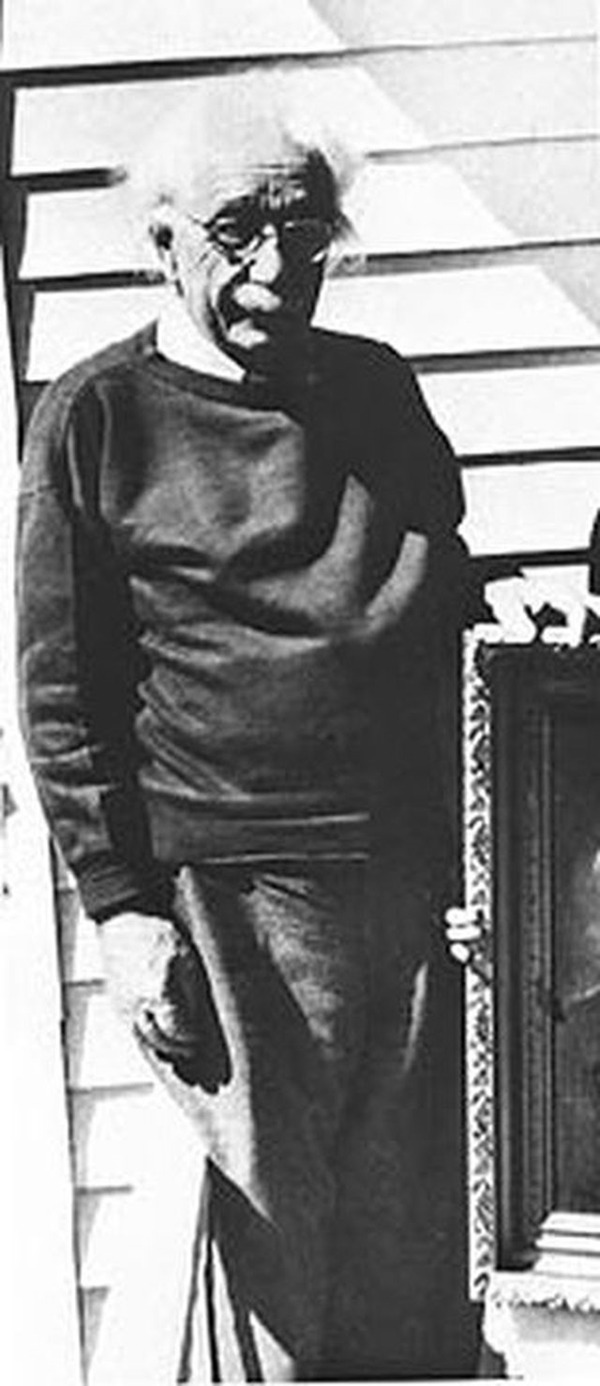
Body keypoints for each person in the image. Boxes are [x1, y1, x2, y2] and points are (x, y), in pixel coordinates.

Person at [17, 73, 476, 1381]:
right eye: (238, 233)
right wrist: (123, 910)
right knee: (269, 1275)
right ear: (162, 242)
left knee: (417, 1261)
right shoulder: (99, 418)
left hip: (414, 886)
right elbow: (62, 689)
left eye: (306, 229)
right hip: (237, 908)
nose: (278, 270)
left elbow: (451, 592)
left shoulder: (378, 392)